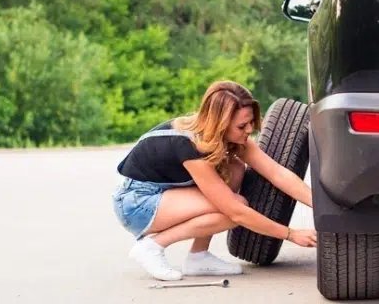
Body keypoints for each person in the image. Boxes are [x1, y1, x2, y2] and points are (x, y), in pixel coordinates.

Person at [111, 80, 317, 281]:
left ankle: (198, 257)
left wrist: (321, 205)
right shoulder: (191, 145)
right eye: (242, 126)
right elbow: (236, 212)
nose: (249, 130)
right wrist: (291, 234)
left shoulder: (228, 137)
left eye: (251, 122)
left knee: (234, 167)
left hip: (162, 193)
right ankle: (151, 247)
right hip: (135, 203)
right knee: (235, 208)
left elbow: (276, 172)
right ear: (221, 124)